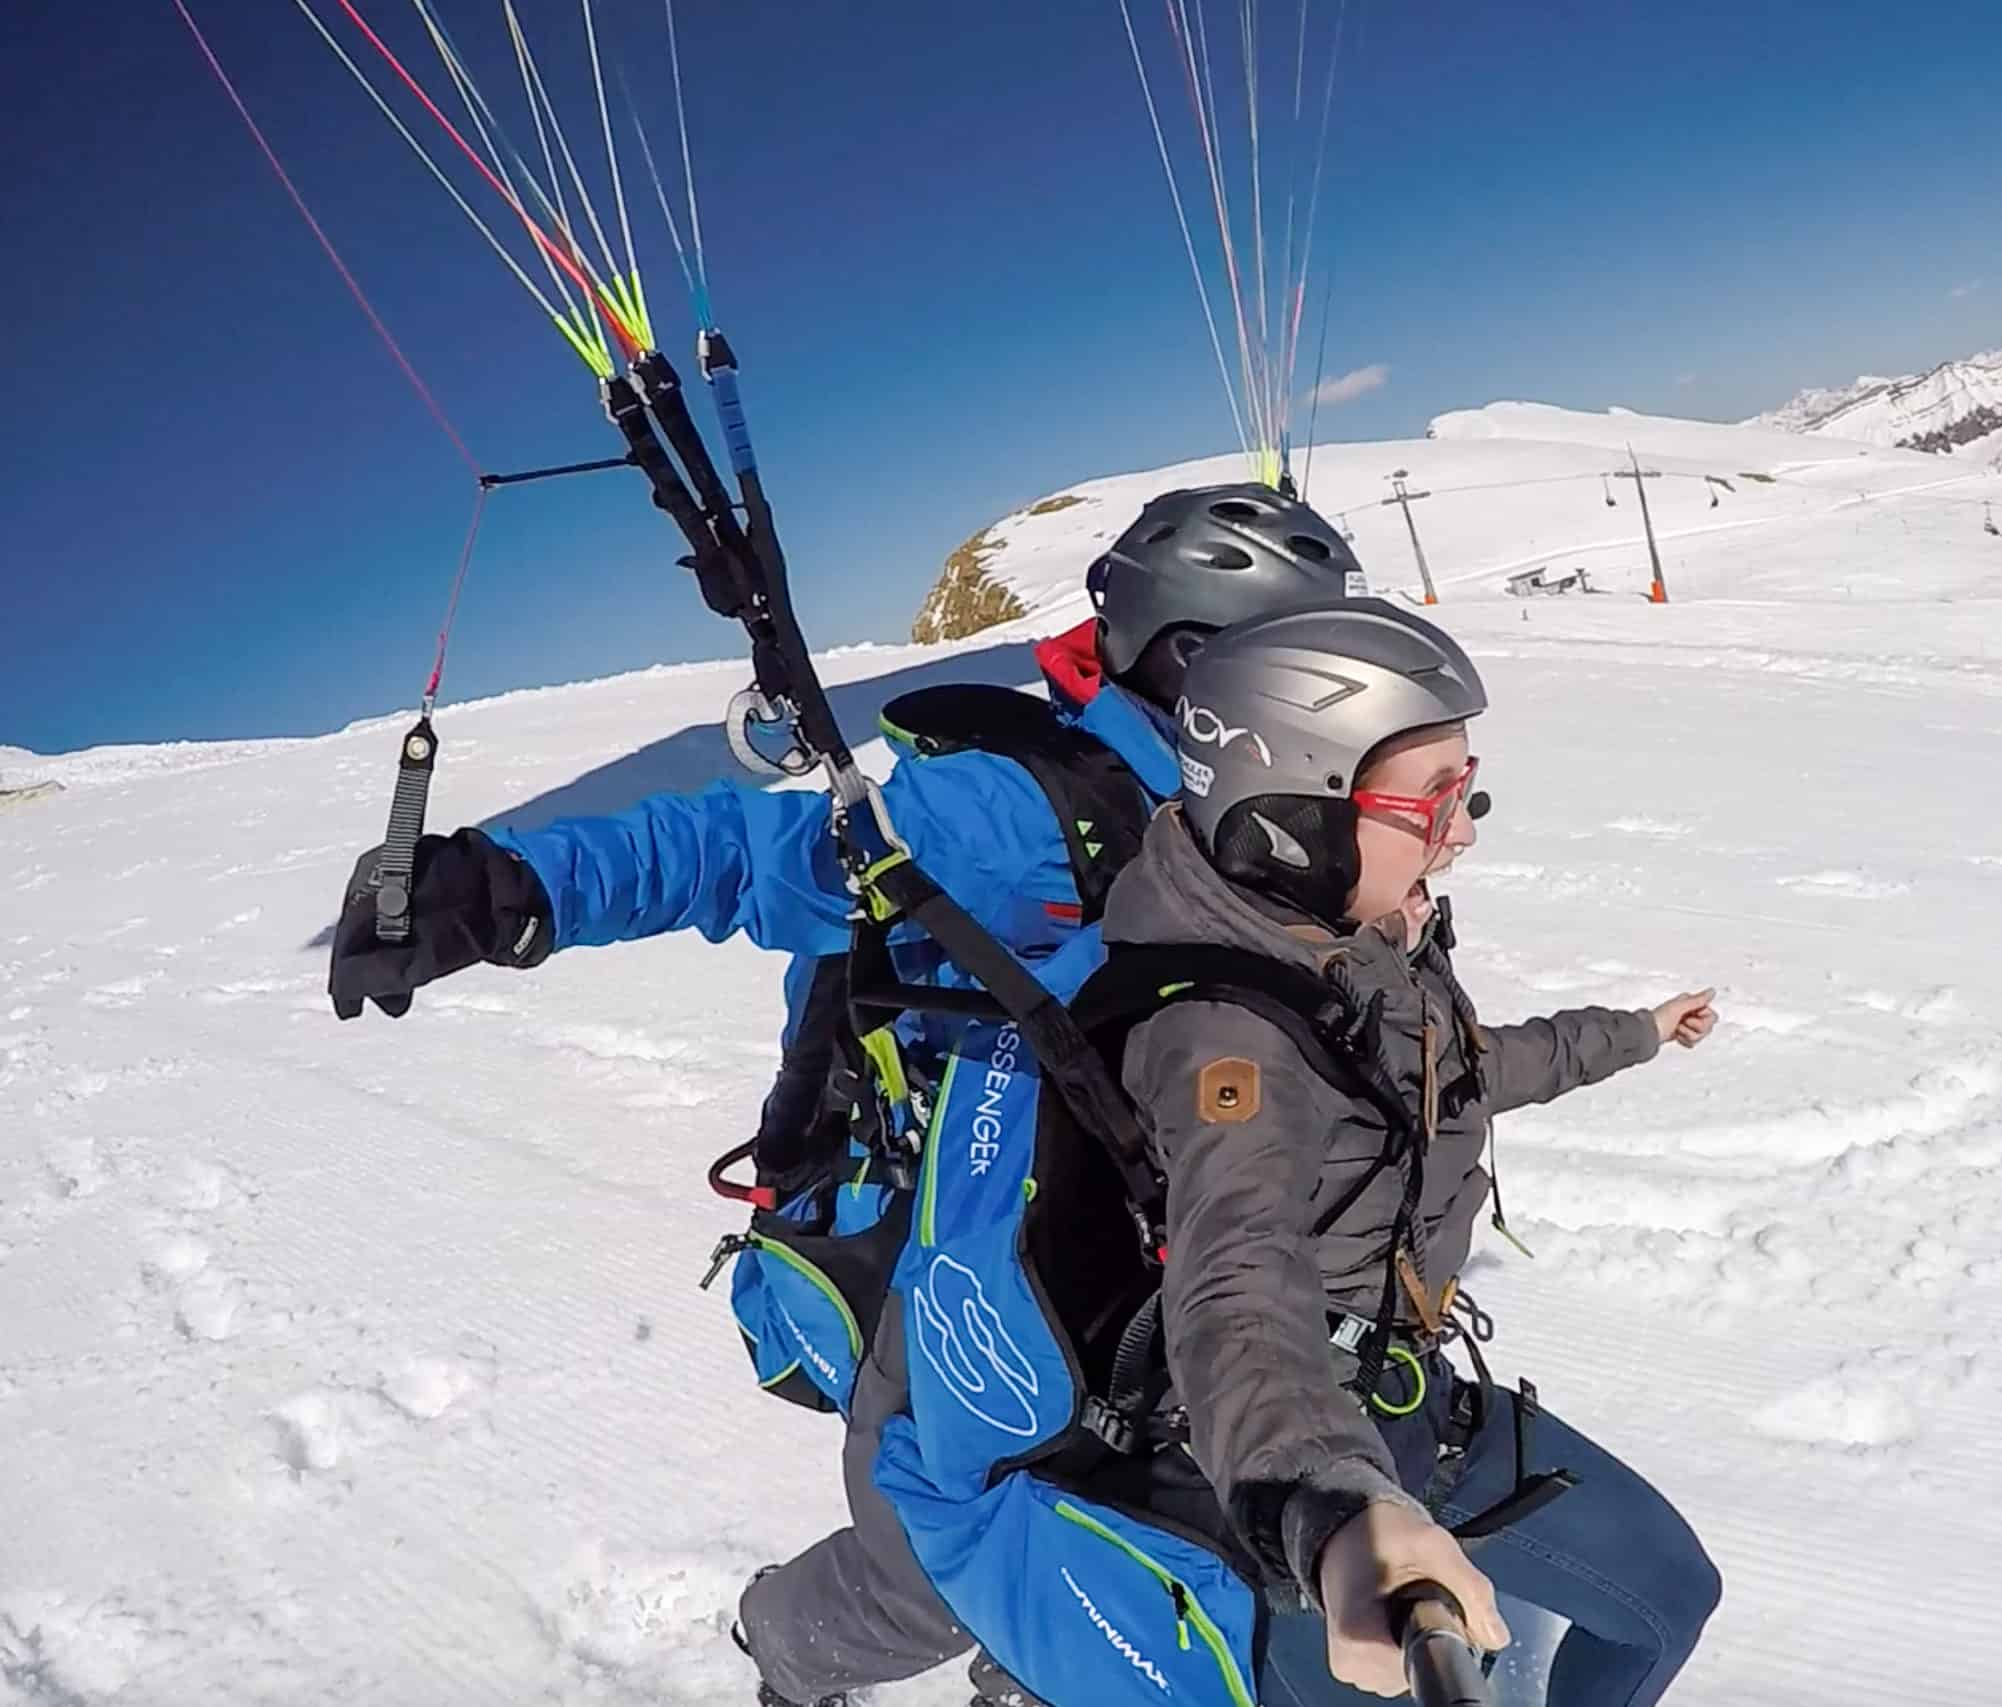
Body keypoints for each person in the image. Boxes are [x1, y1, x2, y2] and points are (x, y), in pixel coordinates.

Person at [322, 484, 1366, 1707]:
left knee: (1143, 1523)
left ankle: (1028, 1659)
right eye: (1306, 671)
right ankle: (784, 1651)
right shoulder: (1033, 809)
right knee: (933, 1565)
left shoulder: (1256, 807)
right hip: (979, 1263)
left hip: (1157, 1228)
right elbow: (763, 857)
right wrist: (509, 887)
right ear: (1191, 662)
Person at [1100, 600, 1724, 1706]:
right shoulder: (1226, 1035)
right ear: (1295, 816)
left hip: (1416, 1402)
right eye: (1431, 801)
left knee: (1669, 1596)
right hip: (1308, 1462)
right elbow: (1234, 1286)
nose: (1464, 831)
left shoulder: (1354, 947)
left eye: (1464, 787)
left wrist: (1634, 1033)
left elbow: (1461, 1075)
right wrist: (1331, 1510)